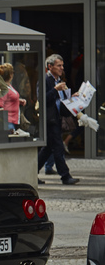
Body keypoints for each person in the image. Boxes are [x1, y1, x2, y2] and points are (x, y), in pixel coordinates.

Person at [37, 54, 79, 185]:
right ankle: (65, 176)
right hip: (49, 120)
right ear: (50, 67)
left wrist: (72, 97)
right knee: (58, 147)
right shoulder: (44, 80)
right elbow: (43, 99)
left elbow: (60, 101)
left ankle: (30, 173)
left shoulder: (58, 80)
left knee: (48, 149)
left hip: (57, 118)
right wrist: (55, 89)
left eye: (62, 65)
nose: (62, 68)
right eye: (58, 65)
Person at [0, 63, 27, 132]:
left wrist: (18, 101)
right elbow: (0, 105)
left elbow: (9, 99)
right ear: (11, 75)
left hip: (14, 120)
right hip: (8, 122)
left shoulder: (9, 86)